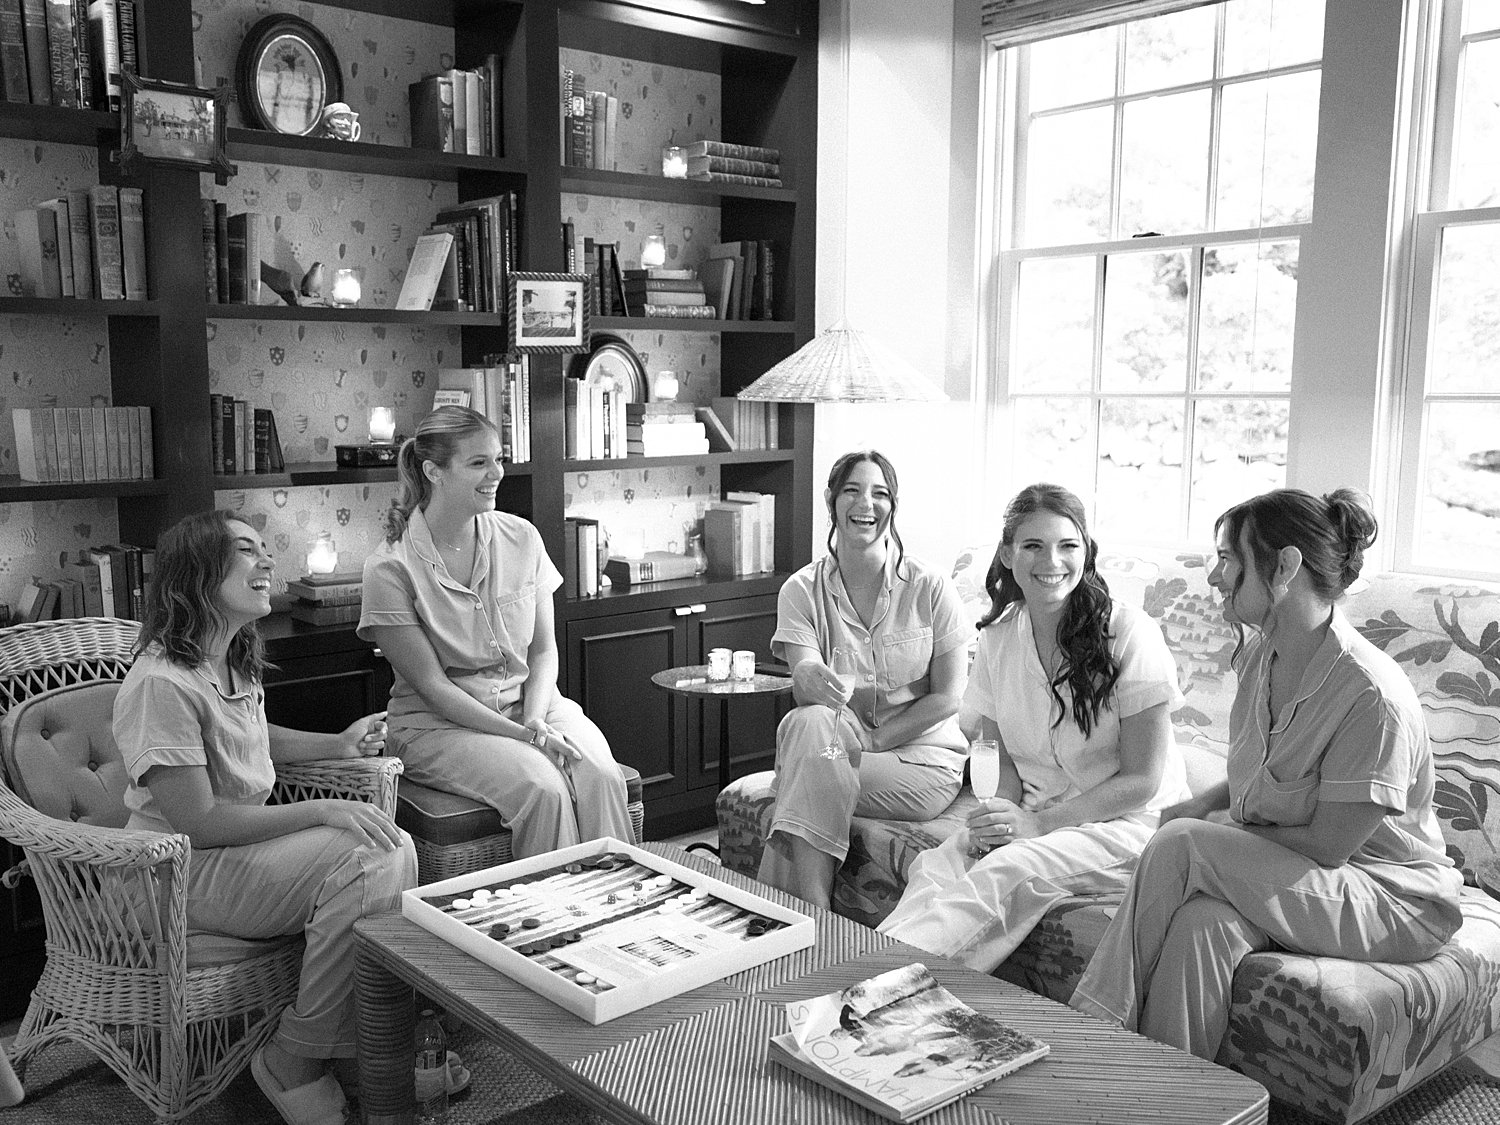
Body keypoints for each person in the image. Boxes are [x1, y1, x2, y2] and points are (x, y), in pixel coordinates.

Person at [1069, 488, 1465, 1061]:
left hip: (1386, 897)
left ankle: (1087, 1035)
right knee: (1199, 929)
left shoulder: (1371, 697)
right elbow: (1267, 776)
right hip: (1305, 878)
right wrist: (1203, 802)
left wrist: (1205, 836)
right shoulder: (1264, 655)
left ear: (1284, 567)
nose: (1213, 576)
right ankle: (1165, 1096)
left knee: (1183, 846)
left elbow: (1329, 845)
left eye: (1228, 559)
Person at [113, 511, 416, 1125]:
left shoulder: (228, 659)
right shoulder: (161, 684)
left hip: (225, 862)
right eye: (246, 551)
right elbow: (197, 822)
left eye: (263, 550)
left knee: (391, 848)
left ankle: (357, 1046)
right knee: (366, 858)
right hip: (169, 876)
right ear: (198, 573)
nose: (267, 562)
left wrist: (338, 744)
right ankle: (298, 1059)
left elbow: (251, 740)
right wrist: (325, 808)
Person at [876, 483, 1189, 971]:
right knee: (940, 862)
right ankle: (863, 968)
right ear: (1007, 553)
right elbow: (995, 753)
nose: (1053, 561)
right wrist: (999, 814)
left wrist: (1036, 827)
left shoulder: (1130, 633)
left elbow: (1142, 782)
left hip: (1125, 825)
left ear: (1086, 552)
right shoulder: (999, 639)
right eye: (1033, 546)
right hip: (1038, 814)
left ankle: (880, 986)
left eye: (1068, 545)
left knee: (1006, 869)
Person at [359, 405, 632, 858]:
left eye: (499, 459)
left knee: (601, 773)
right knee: (543, 787)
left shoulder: (522, 537)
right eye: (479, 463)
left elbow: (544, 653)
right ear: (434, 471)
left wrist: (535, 718)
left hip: (532, 703)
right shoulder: (389, 568)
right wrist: (526, 738)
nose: (497, 474)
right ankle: (550, 922)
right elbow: (433, 688)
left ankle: (619, 909)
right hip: (438, 726)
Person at [756, 450, 971, 909]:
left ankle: (791, 917)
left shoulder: (931, 587)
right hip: (838, 746)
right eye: (852, 491)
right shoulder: (800, 590)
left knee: (802, 768)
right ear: (832, 502)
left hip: (923, 764)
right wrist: (810, 675)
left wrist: (877, 740)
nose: (865, 505)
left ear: (894, 506)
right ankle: (817, 914)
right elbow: (804, 680)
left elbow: (950, 697)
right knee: (808, 726)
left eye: (880, 494)